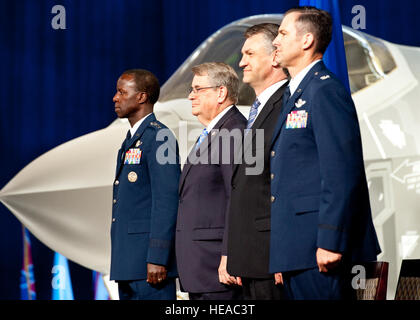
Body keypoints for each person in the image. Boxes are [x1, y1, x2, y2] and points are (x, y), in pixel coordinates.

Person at [269, 6, 381, 300]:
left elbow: (342, 172)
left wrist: (331, 240)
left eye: (282, 33)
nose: (275, 41)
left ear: (306, 41)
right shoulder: (296, 95)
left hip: (321, 248)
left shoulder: (324, 91)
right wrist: (282, 253)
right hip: (297, 250)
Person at [226, 23, 289, 300]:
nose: (241, 62)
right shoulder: (257, 110)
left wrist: (285, 252)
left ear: (275, 56)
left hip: (272, 257)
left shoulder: (289, 106)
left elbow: (288, 184)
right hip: (251, 259)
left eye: (249, 54)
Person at [175, 62, 246, 300]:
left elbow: (238, 199)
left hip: (217, 268)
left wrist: (231, 255)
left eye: (197, 89)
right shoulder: (213, 133)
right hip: (201, 267)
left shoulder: (233, 132)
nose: (190, 96)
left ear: (221, 93)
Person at [110, 69, 180, 300]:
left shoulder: (160, 137)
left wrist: (158, 257)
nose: (115, 97)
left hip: (149, 266)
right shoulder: (130, 140)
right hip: (128, 263)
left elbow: (167, 200)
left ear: (141, 97)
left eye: (122, 92)